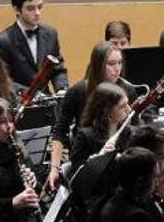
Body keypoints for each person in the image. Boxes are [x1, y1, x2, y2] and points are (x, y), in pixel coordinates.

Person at [47, 41, 136, 189]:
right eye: (111, 64)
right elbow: (60, 131)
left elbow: (134, 127)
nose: (117, 69)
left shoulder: (127, 90)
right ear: (98, 65)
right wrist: (54, 169)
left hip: (120, 159)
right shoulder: (77, 91)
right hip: (85, 158)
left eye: (120, 63)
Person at [0, 0, 68, 92]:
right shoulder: (2, 41)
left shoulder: (51, 34)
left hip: (47, 102)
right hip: (19, 103)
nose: (37, 13)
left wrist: (62, 88)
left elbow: (58, 69)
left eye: (40, 7)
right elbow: (2, 80)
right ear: (17, 9)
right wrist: (30, 94)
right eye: (30, 8)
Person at [69, 82, 132, 171]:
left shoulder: (126, 132)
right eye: (122, 106)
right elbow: (77, 175)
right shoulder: (85, 137)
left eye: (128, 103)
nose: (129, 110)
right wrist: (99, 159)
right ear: (107, 112)